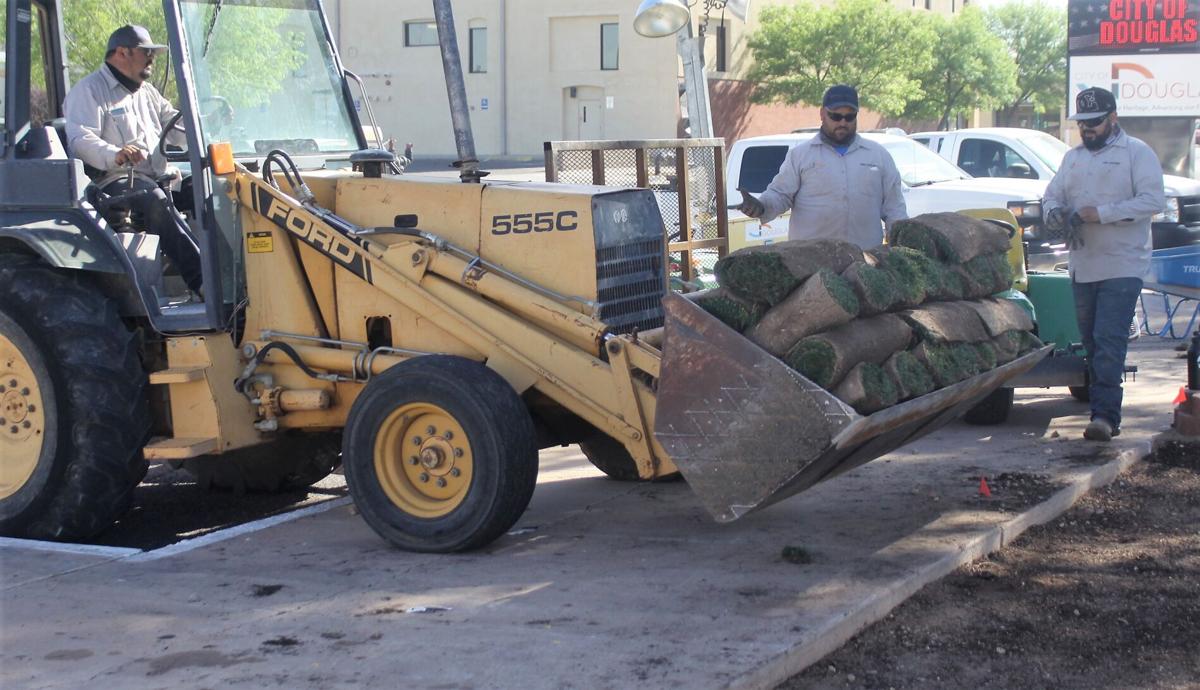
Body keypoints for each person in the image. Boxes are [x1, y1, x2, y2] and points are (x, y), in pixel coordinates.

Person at [1042, 86, 1165, 442]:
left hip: (1124, 264)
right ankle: (1102, 408)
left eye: (1094, 123)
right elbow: (1051, 196)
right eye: (1082, 124)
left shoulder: (1137, 154)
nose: (1087, 130)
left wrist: (1104, 214)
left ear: (1113, 118)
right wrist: (1057, 215)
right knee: (1093, 347)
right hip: (1083, 264)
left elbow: (1152, 199)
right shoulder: (1073, 158)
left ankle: (1105, 418)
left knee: (1109, 342)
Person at [64, 24, 203, 296]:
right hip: (116, 183)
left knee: (212, 189)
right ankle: (203, 283)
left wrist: (204, 124)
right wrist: (114, 154)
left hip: (159, 177)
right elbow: (80, 140)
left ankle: (233, 275)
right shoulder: (90, 90)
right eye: (145, 52)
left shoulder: (147, 93)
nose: (152, 57)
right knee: (156, 202)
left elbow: (174, 127)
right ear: (121, 53)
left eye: (152, 52)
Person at [735, 84, 907, 249]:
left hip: (865, 262)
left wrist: (904, 242)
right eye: (836, 116)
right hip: (811, 263)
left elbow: (895, 209)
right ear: (822, 114)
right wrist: (761, 206)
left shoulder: (878, 155)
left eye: (849, 117)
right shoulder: (801, 155)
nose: (842, 122)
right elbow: (780, 195)